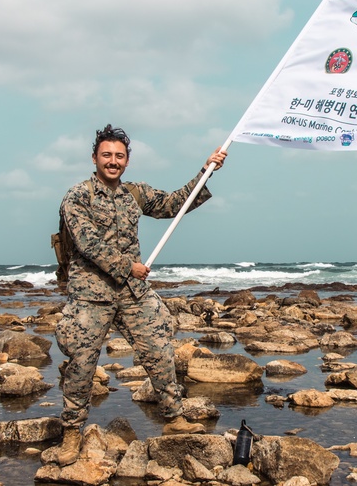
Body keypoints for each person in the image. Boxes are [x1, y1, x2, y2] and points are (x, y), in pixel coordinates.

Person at [48, 124, 227, 467]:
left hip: (133, 293)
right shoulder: (77, 196)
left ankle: (173, 417)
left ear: (127, 161)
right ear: (94, 158)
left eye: (119, 156)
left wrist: (206, 171)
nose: (113, 162)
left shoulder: (134, 193)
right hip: (91, 295)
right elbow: (87, 244)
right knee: (81, 366)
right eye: (106, 156)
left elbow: (174, 204)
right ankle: (71, 433)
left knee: (160, 351)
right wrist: (127, 266)